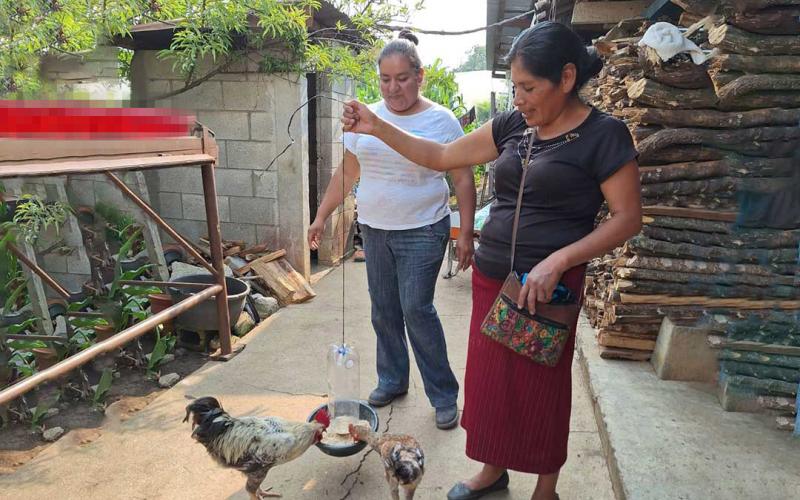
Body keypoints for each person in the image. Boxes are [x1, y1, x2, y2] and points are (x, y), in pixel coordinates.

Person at [340, 21, 642, 500]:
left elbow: (627, 218)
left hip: (547, 288)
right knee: (491, 385)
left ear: (566, 78)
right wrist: (377, 126)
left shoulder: (603, 135)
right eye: (514, 87)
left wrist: (559, 260)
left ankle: (546, 488)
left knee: (541, 389)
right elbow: (440, 156)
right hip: (492, 277)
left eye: (528, 88)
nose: (518, 99)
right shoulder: (512, 124)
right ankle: (492, 470)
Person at [308, 30, 476, 430]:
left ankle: (443, 393)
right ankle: (392, 379)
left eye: (402, 78)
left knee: (416, 310)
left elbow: (463, 178)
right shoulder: (364, 118)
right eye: (385, 79)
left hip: (422, 229)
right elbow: (348, 171)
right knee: (383, 311)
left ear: (420, 77)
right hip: (376, 230)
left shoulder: (441, 120)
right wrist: (321, 216)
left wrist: (466, 231)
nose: (393, 87)